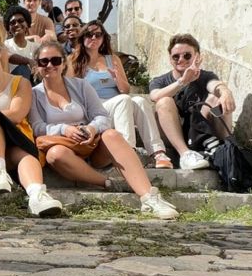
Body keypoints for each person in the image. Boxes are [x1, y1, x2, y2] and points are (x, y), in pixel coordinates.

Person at [29, 41, 178, 219]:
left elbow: (102, 116)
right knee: (55, 154)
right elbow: (37, 126)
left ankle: (149, 198)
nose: (50, 65)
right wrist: (64, 129)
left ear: (63, 63)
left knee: (112, 135)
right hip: (64, 147)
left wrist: (91, 128)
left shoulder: (80, 86)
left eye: (55, 60)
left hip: (91, 144)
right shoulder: (34, 94)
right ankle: (106, 183)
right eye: (43, 62)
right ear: (37, 66)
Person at [0, 38, 63, 216]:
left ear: (0, 53)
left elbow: (17, 114)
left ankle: (37, 194)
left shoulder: (20, 82)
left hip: (14, 141)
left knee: (24, 155)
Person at [73, 21, 172, 169]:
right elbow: (72, 93)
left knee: (139, 101)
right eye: (89, 34)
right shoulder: (74, 61)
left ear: (103, 38)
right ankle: (128, 153)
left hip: (118, 105)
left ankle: (158, 153)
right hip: (95, 110)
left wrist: (117, 78)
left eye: (98, 35)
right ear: (82, 38)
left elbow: (125, 90)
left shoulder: (112, 59)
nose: (93, 38)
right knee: (124, 100)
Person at [148, 33, 235, 170]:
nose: (181, 60)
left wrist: (225, 92)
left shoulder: (205, 76)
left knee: (216, 98)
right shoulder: (160, 81)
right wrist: (182, 82)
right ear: (170, 59)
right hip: (172, 135)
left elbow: (215, 85)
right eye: (176, 56)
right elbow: (155, 96)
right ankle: (185, 154)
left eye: (187, 55)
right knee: (164, 101)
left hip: (200, 131)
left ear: (197, 56)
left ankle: (226, 149)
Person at [4, 6, 39, 79]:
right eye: (12, 22)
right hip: (13, 84)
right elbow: (9, 56)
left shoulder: (36, 47)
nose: (16, 24)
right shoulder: (5, 45)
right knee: (22, 69)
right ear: (9, 28)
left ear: (27, 24)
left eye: (21, 20)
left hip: (33, 83)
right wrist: (28, 61)